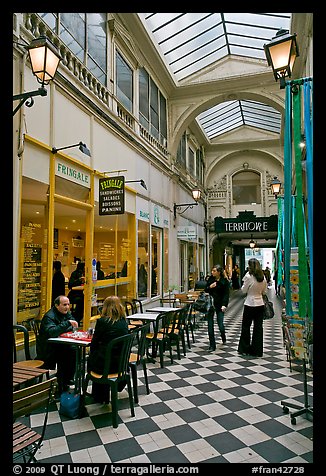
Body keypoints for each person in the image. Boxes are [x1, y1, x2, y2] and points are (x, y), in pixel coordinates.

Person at [87, 295, 129, 403]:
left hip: (105, 366)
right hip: (121, 364)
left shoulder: (102, 322)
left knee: (93, 358)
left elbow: (94, 343)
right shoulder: (123, 321)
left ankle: (99, 396)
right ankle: (103, 394)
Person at [36, 295, 78, 395]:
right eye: (64, 305)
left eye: (68, 304)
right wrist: (67, 324)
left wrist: (66, 326)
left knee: (74, 350)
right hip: (48, 349)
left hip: (59, 345)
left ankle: (68, 379)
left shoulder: (66, 313)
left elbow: (72, 326)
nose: (67, 307)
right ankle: (62, 384)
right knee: (65, 355)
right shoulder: (49, 317)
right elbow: (52, 332)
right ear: (56, 305)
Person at [237, 258, 267, 358]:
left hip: (249, 303)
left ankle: (245, 348)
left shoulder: (248, 276)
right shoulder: (262, 277)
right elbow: (264, 291)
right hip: (260, 304)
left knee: (246, 326)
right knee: (258, 328)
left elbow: (243, 290)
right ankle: (257, 350)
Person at [204, 264, 230, 350]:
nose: (212, 272)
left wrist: (224, 305)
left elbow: (226, 295)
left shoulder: (225, 282)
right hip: (210, 305)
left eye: (214, 271)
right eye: (212, 271)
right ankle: (212, 345)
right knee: (210, 325)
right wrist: (210, 287)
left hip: (220, 305)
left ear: (219, 272)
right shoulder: (210, 280)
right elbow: (206, 290)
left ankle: (223, 335)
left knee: (220, 324)